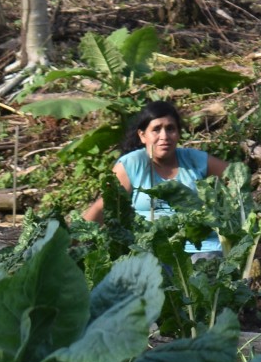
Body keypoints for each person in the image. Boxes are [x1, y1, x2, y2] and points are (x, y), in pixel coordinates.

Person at [81, 100, 233, 254]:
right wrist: (75, 242)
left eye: (170, 129)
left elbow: (236, 177)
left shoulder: (194, 160)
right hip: (151, 251)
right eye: (156, 129)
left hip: (203, 250)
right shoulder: (132, 164)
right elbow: (104, 206)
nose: (164, 136)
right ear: (142, 135)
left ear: (178, 133)